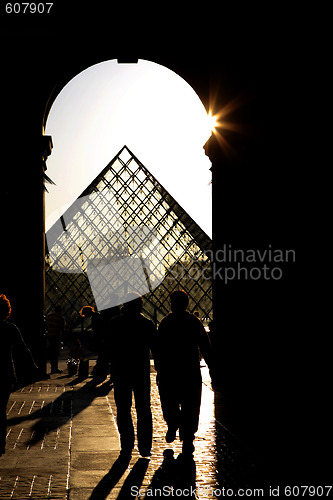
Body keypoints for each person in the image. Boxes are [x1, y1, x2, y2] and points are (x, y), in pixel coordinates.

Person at [155, 290, 215, 457]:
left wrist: (159, 369)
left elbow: (158, 349)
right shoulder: (194, 322)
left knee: (169, 403)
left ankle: (173, 424)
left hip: (169, 371)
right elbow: (205, 346)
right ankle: (188, 438)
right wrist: (211, 366)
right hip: (190, 370)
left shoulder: (165, 323)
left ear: (171, 304)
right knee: (191, 405)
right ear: (187, 304)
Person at [105, 292, 156, 458]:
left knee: (123, 409)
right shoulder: (147, 324)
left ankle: (126, 445)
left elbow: (108, 348)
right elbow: (156, 350)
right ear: (140, 305)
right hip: (140, 371)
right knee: (143, 409)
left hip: (120, 371)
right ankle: (145, 447)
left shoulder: (115, 323)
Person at [0, 294, 38, 456]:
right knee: (1, 409)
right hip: (6, 375)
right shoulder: (10, 329)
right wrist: (33, 367)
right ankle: (0, 442)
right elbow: (23, 349)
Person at [46, 305, 65, 374]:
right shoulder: (60, 317)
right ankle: (54, 368)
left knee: (51, 353)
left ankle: (53, 367)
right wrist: (63, 339)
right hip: (56, 336)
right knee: (55, 353)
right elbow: (62, 329)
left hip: (49, 336)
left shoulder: (49, 316)